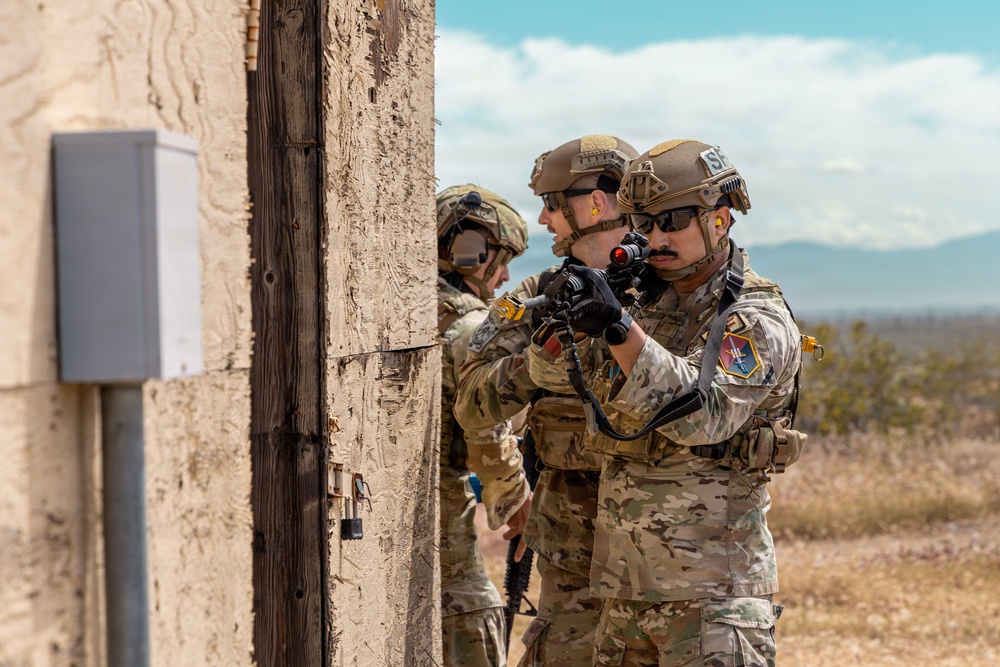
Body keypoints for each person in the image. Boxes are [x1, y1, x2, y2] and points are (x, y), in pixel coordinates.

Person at [525, 140, 807, 666]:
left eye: (672, 220)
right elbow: (546, 373)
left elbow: (703, 415)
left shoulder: (753, 316)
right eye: (643, 223)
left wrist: (615, 326)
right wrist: (569, 317)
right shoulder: (642, 302)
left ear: (719, 220)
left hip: (711, 599)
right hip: (622, 593)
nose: (655, 238)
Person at [454, 135, 638, 665]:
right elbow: (471, 402)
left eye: (552, 205)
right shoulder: (533, 297)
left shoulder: (674, 297)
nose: (542, 220)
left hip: (668, 554)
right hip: (572, 555)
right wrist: (535, 367)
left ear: (596, 204)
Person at [436, 184, 533, 666]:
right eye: (501, 258)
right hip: (440, 516)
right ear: (471, 253)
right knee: (471, 616)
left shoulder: (412, 309)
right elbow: (487, 432)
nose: (505, 276)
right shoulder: (472, 327)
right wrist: (517, 504)